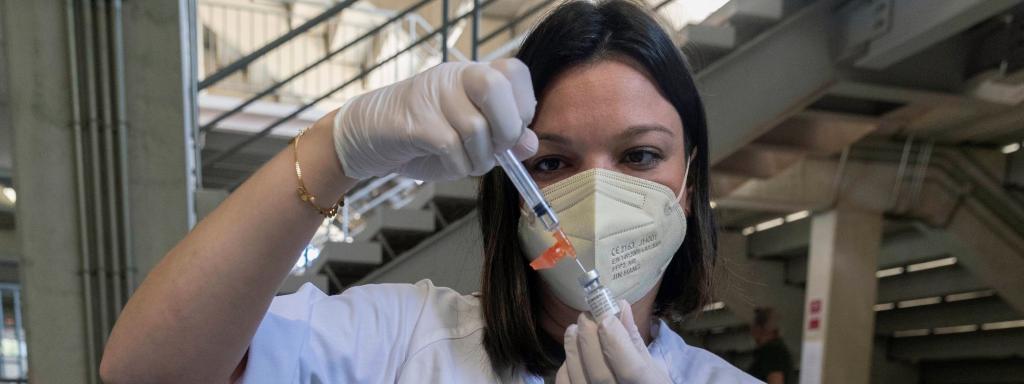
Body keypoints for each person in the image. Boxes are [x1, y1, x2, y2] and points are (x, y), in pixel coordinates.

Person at [100, 1, 759, 383]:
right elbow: (146, 373)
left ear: (688, 181)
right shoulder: (405, 342)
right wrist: (334, 151)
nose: (601, 192)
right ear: (514, 190)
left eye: (640, 155)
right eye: (553, 162)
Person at [747, 308, 794, 384]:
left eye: (753, 325)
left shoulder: (772, 352)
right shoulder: (776, 350)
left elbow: (776, 381)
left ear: (758, 328)